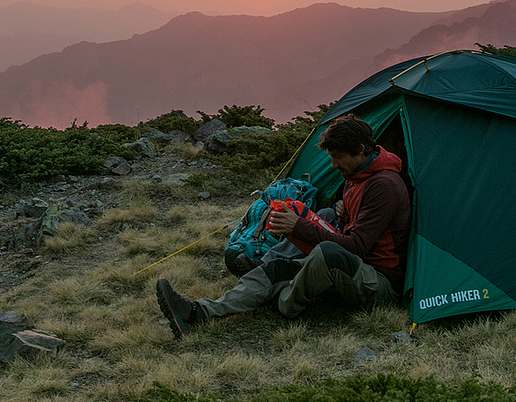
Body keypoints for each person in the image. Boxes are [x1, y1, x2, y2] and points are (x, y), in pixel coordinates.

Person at [155, 115, 411, 339]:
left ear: (360, 150)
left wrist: (298, 226)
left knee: (326, 253)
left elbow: (357, 246)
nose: (333, 165)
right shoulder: (354, 176)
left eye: (338, 158)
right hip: (353, 269)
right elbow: (345, 228)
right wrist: (335, 213)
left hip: (379, 282)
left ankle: (285, 303)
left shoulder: (383, 185)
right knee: (275, 268)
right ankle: (197, 313)